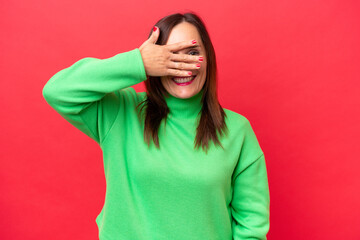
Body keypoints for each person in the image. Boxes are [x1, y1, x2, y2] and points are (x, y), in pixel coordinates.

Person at [42, 12, 270, 240]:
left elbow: (252, 226)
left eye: (192, 53)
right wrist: (138, 62)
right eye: (170, 55)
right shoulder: (122, 112)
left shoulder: (238, 130)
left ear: (208, 58)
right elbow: (58, 91)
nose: (182, 65)